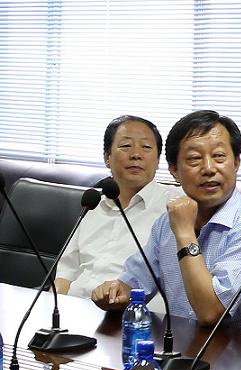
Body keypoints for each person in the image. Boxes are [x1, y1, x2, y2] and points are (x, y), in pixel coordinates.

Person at [91, 110, 241, 335]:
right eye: (195, 158)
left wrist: (185, 233)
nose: (209, 169)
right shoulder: (166, 223)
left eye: (219, 156)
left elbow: (210, 312)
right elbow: (134, 286)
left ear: (236, 163)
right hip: (185, 344)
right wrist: (115, 293)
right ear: (174, 170)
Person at [54, 115, 182, 308]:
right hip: (75, 308)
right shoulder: (93, 204)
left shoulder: (176, 205)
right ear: (107, 158)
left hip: (132, 314)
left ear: (157, 160)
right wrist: (51, 308)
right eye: (126, 146)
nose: (136, 154)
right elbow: (66, 273)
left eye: (146, 147)